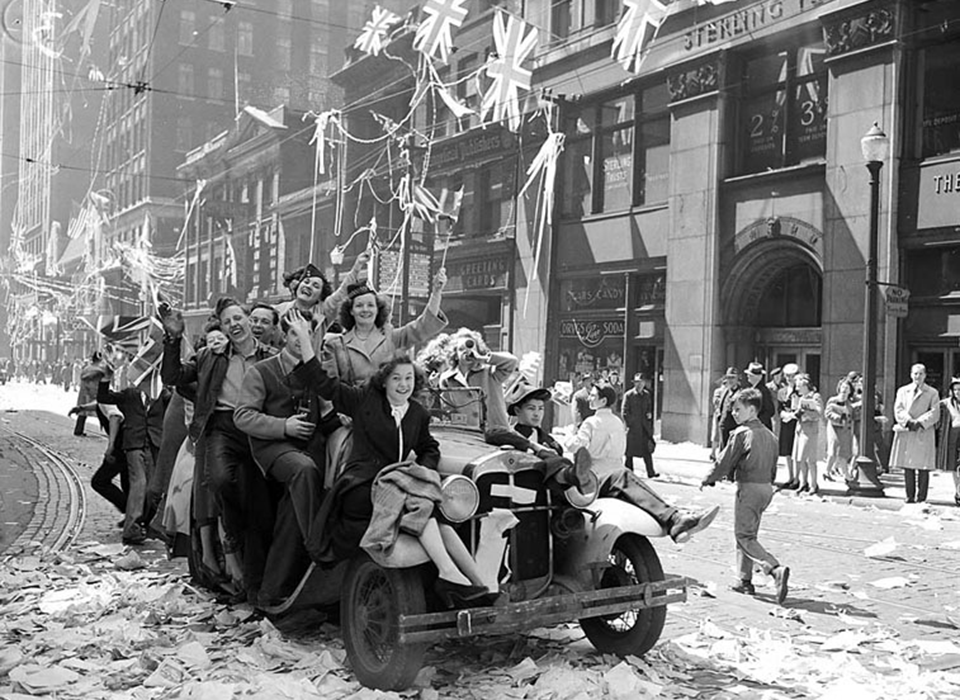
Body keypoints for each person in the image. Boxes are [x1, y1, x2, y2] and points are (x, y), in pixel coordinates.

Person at [305, 351, 491, 608]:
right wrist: (305, 343)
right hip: (360, 485)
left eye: (409, 378)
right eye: (396, 378)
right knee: (423, 508)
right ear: (384, 382)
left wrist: (420, 471)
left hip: (398, 483)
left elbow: (430, 447)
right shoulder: (364, 401)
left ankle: (479, 585)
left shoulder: (418, 413)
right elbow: (325, 385)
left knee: (441, 522)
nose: (403, 384)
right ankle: (448, 573)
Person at [161, 297, 277, 593]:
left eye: (237, 318)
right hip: (222, 428)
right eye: (227, 321)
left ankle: (256, 576)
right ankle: (232, 541)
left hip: (258, 428)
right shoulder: (209, 355)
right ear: (223, 328)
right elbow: (172, 377)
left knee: (260, 499)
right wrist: (172, 339)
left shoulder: (270, 356)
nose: (234, 324)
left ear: (248, 320)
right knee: (221, 480)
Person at [234, 312, 342, 608]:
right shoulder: (261, 371)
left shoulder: (314, 372)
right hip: (273, 447)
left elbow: (330, 411)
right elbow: (242, 416)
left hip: (310, 445)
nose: (300, 340)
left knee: (297, 506)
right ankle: (316, 543)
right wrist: (284, 426)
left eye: (305, 334)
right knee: (305, 471)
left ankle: (276, 589)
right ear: (284, 336)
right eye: (295, 334)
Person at [561, 383, 719, 543]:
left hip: (597, 479)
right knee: (637, 493)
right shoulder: (617, 422)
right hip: (615, 473)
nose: (589, 398)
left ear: (602, 401)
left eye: (593, 396)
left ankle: (675, 522)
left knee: (635, 492)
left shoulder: (590, 422)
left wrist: (568, 437)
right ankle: (675, 520)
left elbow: (575, 445)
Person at [701, 388, 790, 603]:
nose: (734, 413)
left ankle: (774, 568)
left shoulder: (741, 434)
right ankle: (744, 580)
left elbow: (724, 461)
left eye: (738, 409)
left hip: (749, 487)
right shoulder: (770, 435)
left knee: (744, 536)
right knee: (748, 534)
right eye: (732, 410)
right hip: (766, 488)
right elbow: (773, 467)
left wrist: (709, 478)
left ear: (752, 410)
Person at [321, 268, 448, 386]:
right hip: (349, 407)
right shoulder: (336, 344)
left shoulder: (392, 337)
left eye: (370, 305)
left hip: (386, 407)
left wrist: (436, 292)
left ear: (378, 310)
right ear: (351, 311)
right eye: (359, 305)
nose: (365, 310)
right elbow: (328, 388)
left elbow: (422, 327)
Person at [96, 363, 170, 545]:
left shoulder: (164, 395)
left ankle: (147, 522)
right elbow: (104, 396)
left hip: (154, 444)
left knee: (153, 488)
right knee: (139, 484)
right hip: (134, 444)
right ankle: (131, 529)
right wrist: (106, 377)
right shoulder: (129, 394)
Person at [275, 253, 371, 353]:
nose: (308, 286)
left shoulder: (323, 311)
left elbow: (342, 292)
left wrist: (357, 266)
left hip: (310, 366)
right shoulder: (278, 310)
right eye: (306, 282)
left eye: (315, 286)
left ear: (320, 296)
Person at [890, 363, 940, 504]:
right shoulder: (902, 391)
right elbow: (898, 408)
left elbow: (935, 412)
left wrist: (919, 422)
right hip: (908, 431)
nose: (917, 376)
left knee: (923, 466)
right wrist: (908, 421)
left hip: (923, 431)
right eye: (915, 373)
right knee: (908, 465)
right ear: (911, 375)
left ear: (925, 375)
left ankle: (922, 496)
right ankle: (909, 495)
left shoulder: (932, 392)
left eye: (920, 374)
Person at [789, 373, 822, 495]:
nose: (797, 389)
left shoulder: (815, 396)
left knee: (810, 459)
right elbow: (798, 412)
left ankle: (813, 485)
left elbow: (819, 414)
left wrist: (807, 413)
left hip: (810, 431)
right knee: (800, 458)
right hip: (800, 430)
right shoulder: (801, 398)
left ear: (805, 385)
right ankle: (804, 483)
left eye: (799, 386)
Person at [622, 372, 657, 477]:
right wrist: (630, 423)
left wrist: (649, 419)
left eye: (641, 382)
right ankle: (629, 472)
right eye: (637, 382)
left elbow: (649, 410)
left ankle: (650, 472)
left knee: (647, 451)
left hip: (644, 428)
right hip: (633, 429)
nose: (639, 385)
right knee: (629, 453)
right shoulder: (629, 395)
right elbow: (624, 411)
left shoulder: (646, 395)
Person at [824, 376, 856, 483]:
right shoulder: (833, 400)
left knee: (843, 452)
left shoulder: (849, 404)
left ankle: (845, 475)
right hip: (834, 427)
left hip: (845, 430)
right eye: (843, 387)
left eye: (847, 388)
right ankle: (827, 471)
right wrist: (838, 418)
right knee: (833, 450)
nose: (844, 390)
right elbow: (827, 413)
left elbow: (852, 415)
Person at [935, 378, 960, 507]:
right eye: (955, 390)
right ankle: (958, 492)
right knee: (954, 467)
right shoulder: (945, 403)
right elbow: (933, 410)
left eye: (959, 389)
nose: (958, 392)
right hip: (953, 439)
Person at [775, 363, 800, 489]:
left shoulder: (800, 390)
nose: (790, 378)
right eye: (787, 376)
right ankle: (790, 477)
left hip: (796, 423)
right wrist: (783, 414)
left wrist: (793, 415)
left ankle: (797, 478)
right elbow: (779, 408)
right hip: (785, 423)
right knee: (787, 452)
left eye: (792, 376)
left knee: (797, 452)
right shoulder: (782, 391)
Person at [73, 351, 104, 436]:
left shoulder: (86, 368)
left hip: (84, 393)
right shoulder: (98, 370)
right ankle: (108, 431)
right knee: (103, 411)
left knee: (83, 413)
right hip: (93, 393)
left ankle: (78, 430)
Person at [713, 367, 741, 453]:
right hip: (724, 427)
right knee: (722, 452)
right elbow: (720, 407)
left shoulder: (741, 393)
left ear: (738, 378)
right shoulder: (725, 391)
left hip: (735, 428)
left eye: (733, 377)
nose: (730, 380)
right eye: (728, 377)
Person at [744, 362, 776, 430]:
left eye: (750, 375)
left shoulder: (763, 391)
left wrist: (757, 422)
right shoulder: (753, 388)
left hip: (761, 428)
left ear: (756, 377)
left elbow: (770, 411)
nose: (747, 376)